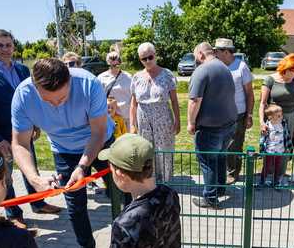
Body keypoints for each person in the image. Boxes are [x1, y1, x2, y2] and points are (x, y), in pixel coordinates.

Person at [11, 58, 117, 248]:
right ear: (35, 87)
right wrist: (34, 178)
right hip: (64, 150)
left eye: (63, 98)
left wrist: (83, 166)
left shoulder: (88, 84)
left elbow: (98, 132)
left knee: (121, 198)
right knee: (75, 205)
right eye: (49, 101)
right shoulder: (22, 95)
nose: (58, 106)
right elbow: (19, 144)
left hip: (102, 143)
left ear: (70, 79)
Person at [0, 29, 61, 230]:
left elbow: (31, 99)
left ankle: (38, 203)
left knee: (31, 168)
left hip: (23, 132)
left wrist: (34, 123)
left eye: (8, 44)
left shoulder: (21, 70)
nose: (5, 49)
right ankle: (13, 214)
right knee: (5, 177)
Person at [188, 40, 237, 208]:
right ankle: (220, 188)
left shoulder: (202, 71)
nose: (197, 60)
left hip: (211, 128)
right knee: (220, 157)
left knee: (208, 161)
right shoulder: (224, 68)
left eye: (196, 57)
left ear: (201, 54)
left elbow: (194, 101)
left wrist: (190, 122)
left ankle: (210, 198)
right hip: (229, 123)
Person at [130, 42, 180, 183]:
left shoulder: (167, 74)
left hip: (163, 116)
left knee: (164, 149)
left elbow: (175, 101)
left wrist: (177, 121)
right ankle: (149, 182)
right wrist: (132, 124)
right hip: (143, 117)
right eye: (143, 59)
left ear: (155, 55)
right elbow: (133, 103)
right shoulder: (137, 77)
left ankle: (165, 182)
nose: (147, 61)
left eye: (150, 57)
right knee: (146, 150)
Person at [214, 40, 254, 185]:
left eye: (217, 51)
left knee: (234, 146)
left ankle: (233, 173)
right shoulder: (217, 66)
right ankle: (223, 171)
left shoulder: (241, 67)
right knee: (220, 145)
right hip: (220, 115)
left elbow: (249, 93)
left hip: (238, 114)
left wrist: (249, 115)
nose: (215, 53)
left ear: (226, 51)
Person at [259, 53, 294, 182]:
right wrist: (262, 122)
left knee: (285, 147)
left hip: (290, 117)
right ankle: (266, 175)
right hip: (274, 119)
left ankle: (280, 176)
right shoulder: (270, 80)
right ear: (287, 69)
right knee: (271, 146)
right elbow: (262, 103)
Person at [258, 104, 292, 187]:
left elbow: (287, 136)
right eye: (279, 115)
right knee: (266, 166)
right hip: (269, 151)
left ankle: (275, 182)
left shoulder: (283, 124)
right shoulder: (267, 125)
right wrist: (262, 148)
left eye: (281, 114)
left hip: (280, 150)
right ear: (271, 117)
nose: (282, 116)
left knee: (278, 167)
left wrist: (288, 147)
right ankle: (262, 181)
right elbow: (263, 138)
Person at [98, 51, 132, 129]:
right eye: (111, 65)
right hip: (111, 118)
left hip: (127, 117)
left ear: (120, 63)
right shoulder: (101, 78)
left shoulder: (129, 77)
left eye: (116, 65)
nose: (113, 68)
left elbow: (133, 97)